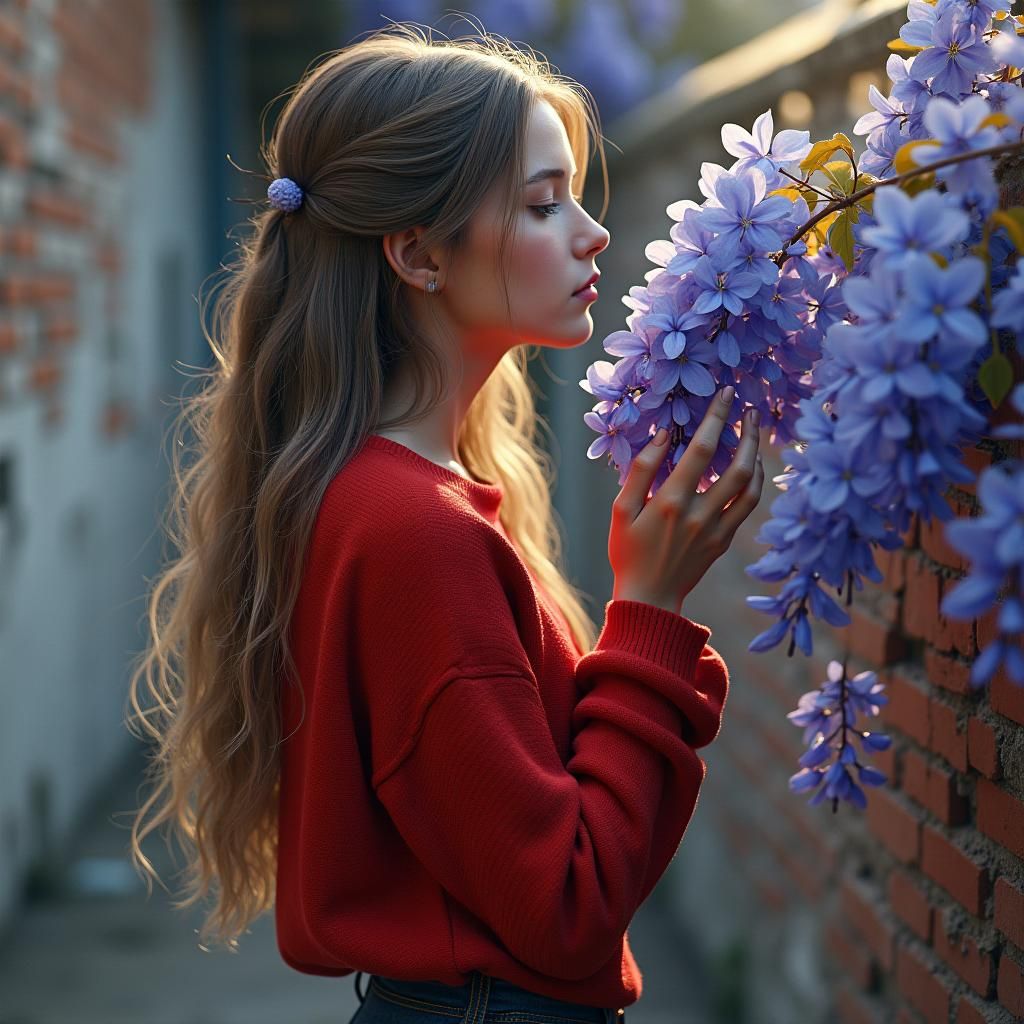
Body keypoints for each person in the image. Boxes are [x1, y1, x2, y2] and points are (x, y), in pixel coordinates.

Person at [124, 21, 765, 1024]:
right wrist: (648, 609)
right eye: (543, 204)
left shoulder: (397, 492)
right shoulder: (413, 531)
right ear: (419, 255)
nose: (591, 232)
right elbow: (566, 904)